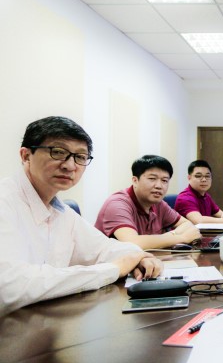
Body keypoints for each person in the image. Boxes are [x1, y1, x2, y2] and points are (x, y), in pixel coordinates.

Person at [0, 116, 162, 314]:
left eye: (80, 157)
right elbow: (10, 287)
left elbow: (104, 248)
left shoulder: (61, 211)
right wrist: (113, 269)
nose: (70, 165)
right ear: (26, 155)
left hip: (45, 322)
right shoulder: (5, 202)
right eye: (58, 152)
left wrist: (139, 258)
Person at [95, 155, 201, 250]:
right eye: (152, 178)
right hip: (112, 264)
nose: (159, 186)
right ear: (135, 181)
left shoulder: (158, 204)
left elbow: (186, 224)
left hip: (148, 260)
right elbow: (132, 243)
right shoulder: (117, 204)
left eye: (164, 180)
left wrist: (172, 235)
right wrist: (182, 238)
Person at [174, 160, 223, 225]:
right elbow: (198, 220)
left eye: (207, 176)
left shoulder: (206, 196)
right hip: (187, 238)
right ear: (189, 178)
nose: (204, 179)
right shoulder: (185, 198)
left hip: (203, 235)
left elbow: (221, 214)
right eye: (198, 176)